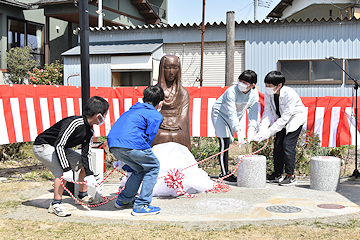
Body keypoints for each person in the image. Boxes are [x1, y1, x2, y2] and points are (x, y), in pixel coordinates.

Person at [32, 96, 109, 217]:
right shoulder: (74, 123)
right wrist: (67, 169)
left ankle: (82, 196)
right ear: (99, 116)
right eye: (105, 114)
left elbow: (86, 153)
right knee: (61, 171)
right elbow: (59, 145)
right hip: (43, 146)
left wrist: (89, 174)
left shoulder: (90, 130)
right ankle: (56, 204)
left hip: (59, 148)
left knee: (83, 165)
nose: (105, 117)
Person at [108, 85, 164, 216]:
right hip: (133, 143)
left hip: (114, 144)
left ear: (143, 99)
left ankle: (124, 200)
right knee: (153, 167)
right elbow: (149, 137)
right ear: (160, 103)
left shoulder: (130, 110)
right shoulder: (155, 114)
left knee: (139, 169)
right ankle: (142, 205)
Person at [254, 71, 307, 186]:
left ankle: (290, 176)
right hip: (281, 119)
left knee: (287, 145)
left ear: (279, 85)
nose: (267, 88)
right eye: (266, 85)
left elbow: (286, 117)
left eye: (270, 86)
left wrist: (268, 132)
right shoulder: (269, 94)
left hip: (294, 118)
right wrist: (262, 130)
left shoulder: (290, 94)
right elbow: (267, 113)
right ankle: (277, 174)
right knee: (277, 145)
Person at [211, 70, 259, 184]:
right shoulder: (231, 91)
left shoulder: (254, 94)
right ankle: (224, 174)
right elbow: (232, 111)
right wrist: (238, 130)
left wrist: (251, 129)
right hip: (220, 115)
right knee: (225, 141)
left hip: (233, 119)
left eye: (244, 82)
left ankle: (226, 172)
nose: (241, 84)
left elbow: (253, 114)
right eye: (240, 81)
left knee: (230, 140)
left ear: (252, 85)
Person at [151, 55, 191, 151]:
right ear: (162, 69)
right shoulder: (154, 91)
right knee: (160, 134)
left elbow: (183, 116)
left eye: (175, 68)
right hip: (159, 125)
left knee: (178, 135)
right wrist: (160, 122)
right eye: (168, 68)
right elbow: (151, 112)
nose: (171, 72)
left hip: (176, 125)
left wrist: (176, 124)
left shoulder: (183, 93)